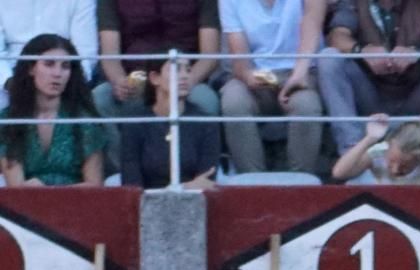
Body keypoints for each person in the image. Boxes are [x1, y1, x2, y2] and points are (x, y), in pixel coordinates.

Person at [319, 0, 420, 159]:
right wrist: (362, 51)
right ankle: (351, 154)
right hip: (370, 94)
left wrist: (418, 52)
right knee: (329, 58)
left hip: (418, 94)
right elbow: (336, 36)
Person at [220, 0, 326, 175]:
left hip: (300, 69)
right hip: (256, 73)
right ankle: (252, 183)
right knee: (233, 101)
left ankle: (300, 183)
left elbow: (313, 17)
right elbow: (239, 58)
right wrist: (248, 76)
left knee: (306, 105)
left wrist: (299, 72)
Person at [1, 35, 106, 187]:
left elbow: (95, 186)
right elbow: (15, 186)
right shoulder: (9, 120)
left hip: (77, 205)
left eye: (65, 66)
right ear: (31, 68)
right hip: (26, 205)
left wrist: (51, 194)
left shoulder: (85, 120)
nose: (57, 73)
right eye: (49, 64)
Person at [93, 0, 222, 122]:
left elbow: (210, 56)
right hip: (134, 77)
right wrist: (118, 81)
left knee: (205, 100)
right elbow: (109, 54)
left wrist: (188, 79)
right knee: (100, 98)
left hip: (186, 74)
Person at [118, 54, 221, 187]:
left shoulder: (205, 122)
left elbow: (206, 181)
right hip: (145, 205)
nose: (185, 76)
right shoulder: (135, 123)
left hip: (194, 204)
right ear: (155, 78)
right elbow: (131, 185)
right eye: (176, 69)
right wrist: (182, 188)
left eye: (188, 70)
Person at [0, 0, 96, 109]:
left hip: (63, 72)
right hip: (11, 75)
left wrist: (67, 80)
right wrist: (9, 82)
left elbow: (85, 53)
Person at [331, 112, 420, 181]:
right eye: (391, 161)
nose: (395, 170)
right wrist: (369, 139)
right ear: (388, 145)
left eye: (405, 166)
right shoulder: (378, 153)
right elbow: (339, 173)